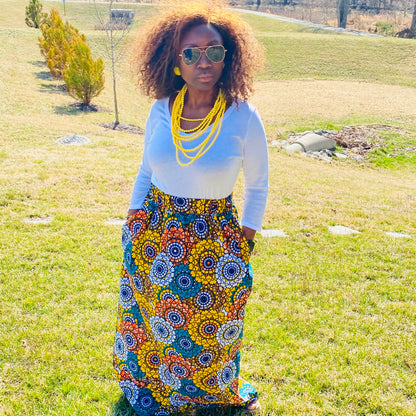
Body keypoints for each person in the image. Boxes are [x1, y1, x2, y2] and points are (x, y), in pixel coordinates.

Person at [113, 2, 268, 414]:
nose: (204, 61)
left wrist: (245, 242)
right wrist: (132, 218)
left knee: (210, 327)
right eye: (191, 52)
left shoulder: (243, 116)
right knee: (153, 319)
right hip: (155, 228)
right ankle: (154, 384)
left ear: (227, 57)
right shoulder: (160, 109)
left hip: (214, 235)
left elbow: (258, 186)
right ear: (174, 60)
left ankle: (207, 390)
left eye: (214, 51)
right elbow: (146, 170)